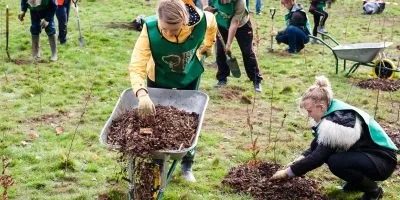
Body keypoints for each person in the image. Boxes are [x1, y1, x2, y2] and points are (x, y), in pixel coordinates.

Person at [128, 0, 217, 182]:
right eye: (165, 28)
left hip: (188, 75)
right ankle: (157, 163)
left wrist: (207, 46)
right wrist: (141, 93)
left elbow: (212, 25)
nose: (169, 32)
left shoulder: (203, 20)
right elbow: (137, 64)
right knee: (155, 120)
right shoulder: (150, 29)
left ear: (184, 21)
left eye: (174, 29)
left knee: (191, 121)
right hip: (159, 76)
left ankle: (187, 164)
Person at [270, 76, 398, 200]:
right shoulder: (331, 110)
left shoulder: (338, 121)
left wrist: (288, 172)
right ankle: (356, 183)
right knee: (335, 157)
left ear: (320, 106)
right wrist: (299, 160)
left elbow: (318, 157)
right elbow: (318, 145)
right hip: (367, 154)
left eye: (309, 111)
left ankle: (373, 191)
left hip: (382, 161)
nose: (308, 115)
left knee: (336, 161)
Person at [203, 0, 263, 92]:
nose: (226, 1)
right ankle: (222, 79)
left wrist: (228, 43)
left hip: (242, 25)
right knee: (220, 51)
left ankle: (256, 80)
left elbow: (235, 23)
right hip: (222, 23)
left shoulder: (240, 3)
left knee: (247, 52)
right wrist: (208, 9)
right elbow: (207, 7)